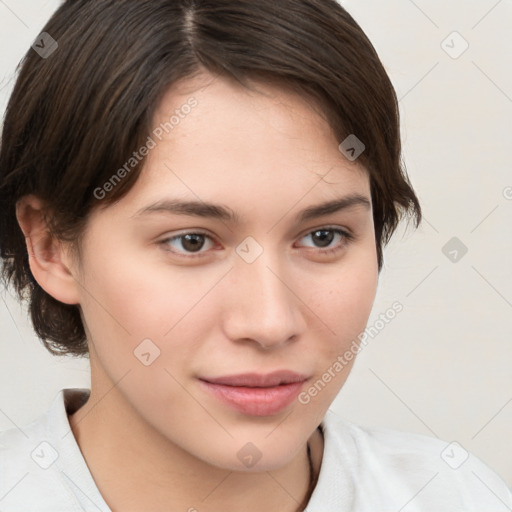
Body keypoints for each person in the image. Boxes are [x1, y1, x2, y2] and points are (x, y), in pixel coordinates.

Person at [0, 1, 510, 511]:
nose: (270, 323)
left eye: (323, 236)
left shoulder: (455, 495)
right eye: (191, 241)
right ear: (51, 248)